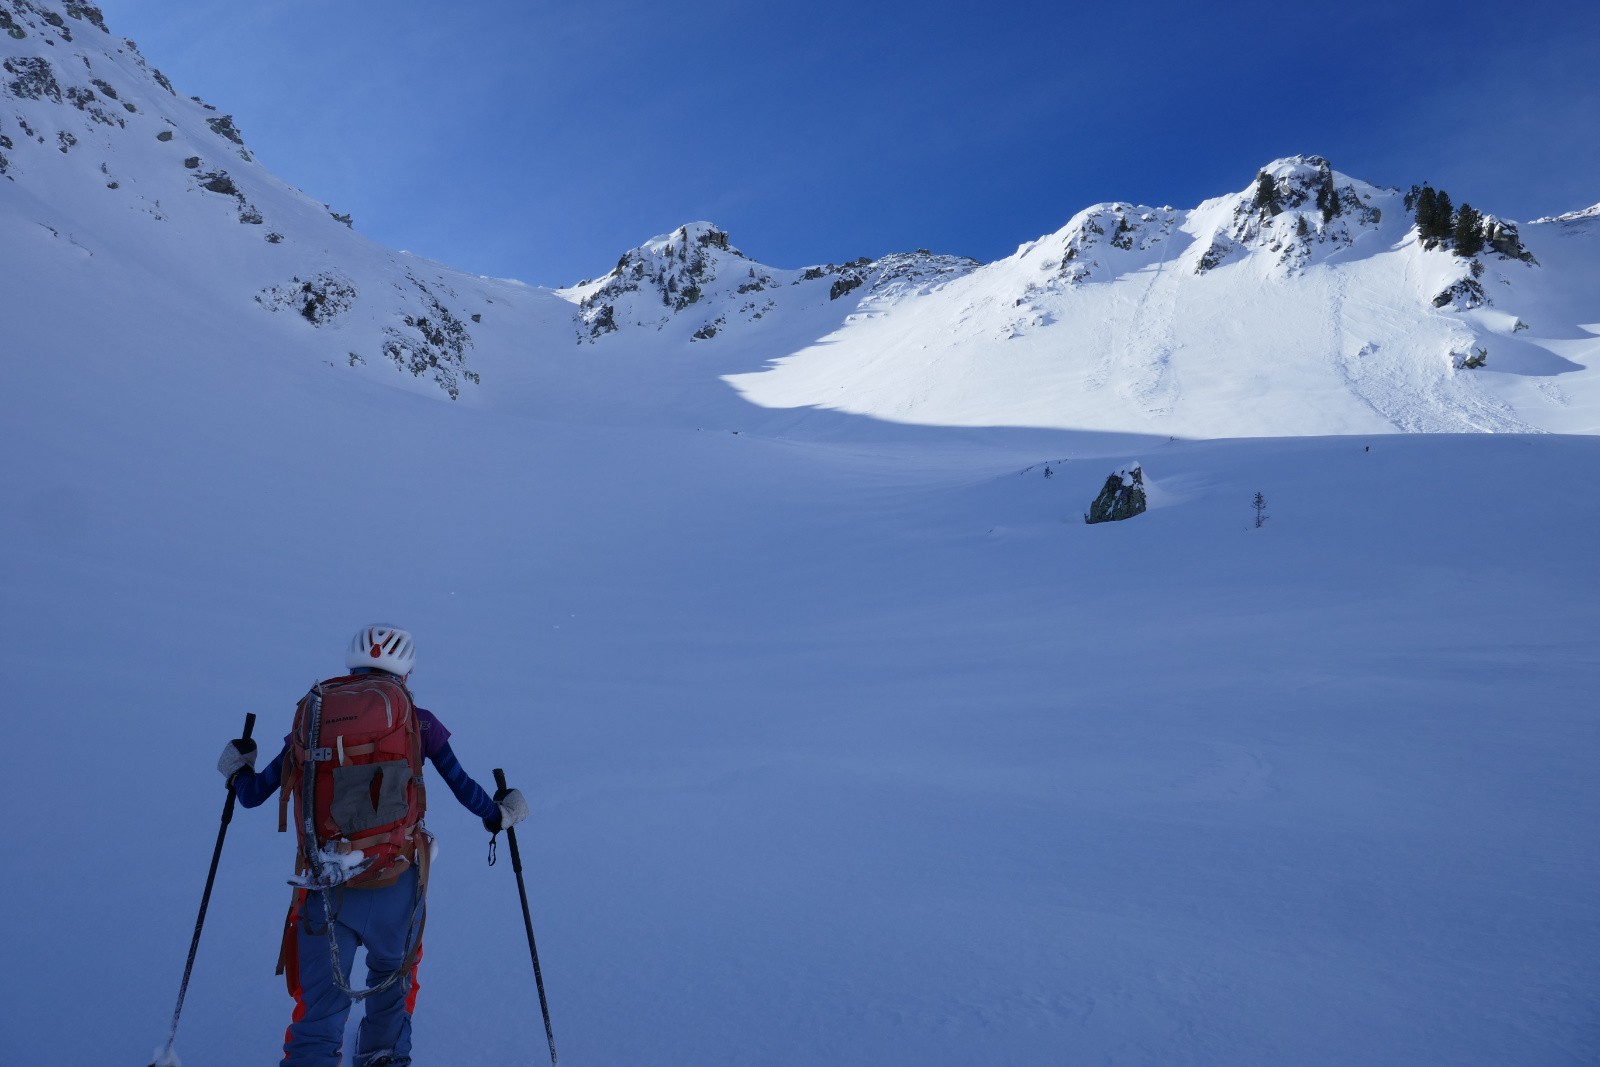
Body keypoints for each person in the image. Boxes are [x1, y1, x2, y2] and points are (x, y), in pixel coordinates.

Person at [217, 624, 528, 1067]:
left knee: (318, 1014)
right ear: (407, 671)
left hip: (325, 886)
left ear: (352, 664)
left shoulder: (315, 718)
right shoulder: (420, 721)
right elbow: (465, 790)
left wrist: (237, 767)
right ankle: (383, 1055)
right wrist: (500, 813)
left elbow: (251, 794)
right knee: (393, 982)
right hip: (396, 883)